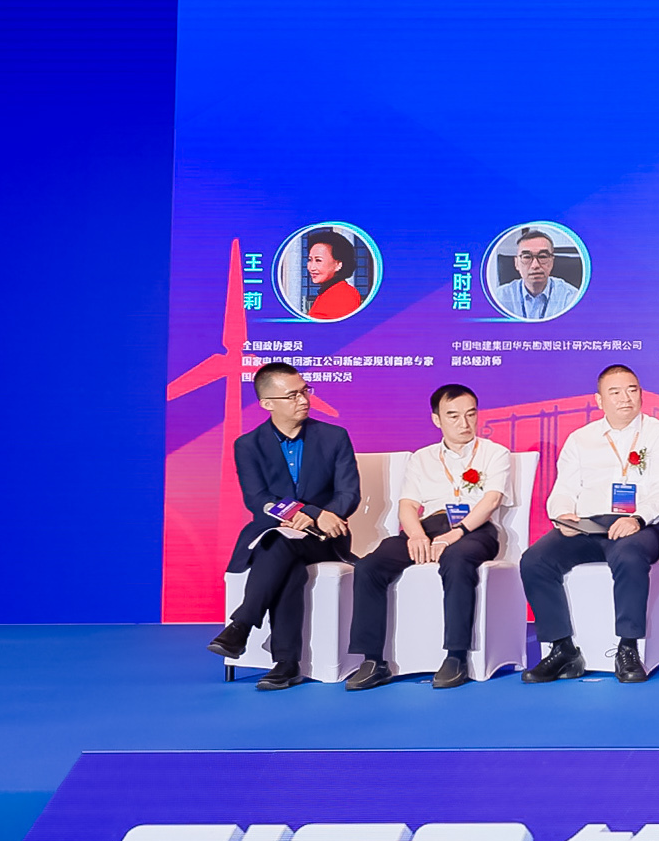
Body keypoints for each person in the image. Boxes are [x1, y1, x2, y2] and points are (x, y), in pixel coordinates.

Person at [345, 382, 511, 691]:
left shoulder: (494, 453)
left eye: (471, 414)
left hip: (474, 530)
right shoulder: (422, 457)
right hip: (429, 527)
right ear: (437, 419)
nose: (464, 423)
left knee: (457, 558)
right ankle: (373, 660)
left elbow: (491, 501)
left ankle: (456, 656)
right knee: (369, 566)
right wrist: (416, 535)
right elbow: (407, 505)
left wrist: (455, 534)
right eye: (453, 416)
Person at [524, 364, 659, 684]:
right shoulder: (580, 439)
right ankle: (562, 649)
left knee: (628, 555)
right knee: (534, 560)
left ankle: (628, 648)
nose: (625, 398)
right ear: (599, 400)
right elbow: (563, 488)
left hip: (639, 526)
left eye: (632, 390)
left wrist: (637, 518)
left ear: (641, 394)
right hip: (587, 526)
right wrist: (563, 515)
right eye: (615, 392)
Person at [207, 362, 360, 690]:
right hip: (275, 534)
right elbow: (257, 500)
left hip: (324, 538)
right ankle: (286, 663)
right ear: (267, 403)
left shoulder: (334, 437)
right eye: (292, 395)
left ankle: (242, 626)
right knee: (285, 556)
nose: (303, 400)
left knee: (280, 546)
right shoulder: (248, 445)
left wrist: (318, 517)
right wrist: (306, 512)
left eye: (305, 391)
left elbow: (349, 493)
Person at [495, 229, 580, 321]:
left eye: (542, 256)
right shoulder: (500, 297)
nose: (535, 265)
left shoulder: (570, 297)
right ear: (516, 263)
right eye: (527, 257)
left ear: (552, 261)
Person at [303, 229, 367, 320]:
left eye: (318, 260)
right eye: (310, 260)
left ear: (338, 265)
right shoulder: (329, 291)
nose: (312, 267)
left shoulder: (343, 295)